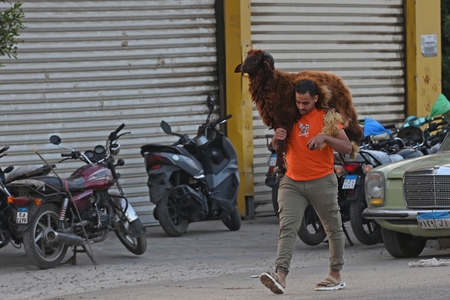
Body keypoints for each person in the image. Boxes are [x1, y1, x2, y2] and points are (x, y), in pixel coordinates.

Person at [259, 79, 352, 294]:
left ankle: (335, 274)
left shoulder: (327, 118)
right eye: (298, 102)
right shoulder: (288, 117)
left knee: (333, 228)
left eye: (306, 103)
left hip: (322, 181)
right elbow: (278, 146)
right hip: (291, 182)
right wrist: (276, 139)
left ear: (315, 99)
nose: (301, 107)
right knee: (287, 228)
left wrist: (325, 138)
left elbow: (347, 147)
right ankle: (280, 276)